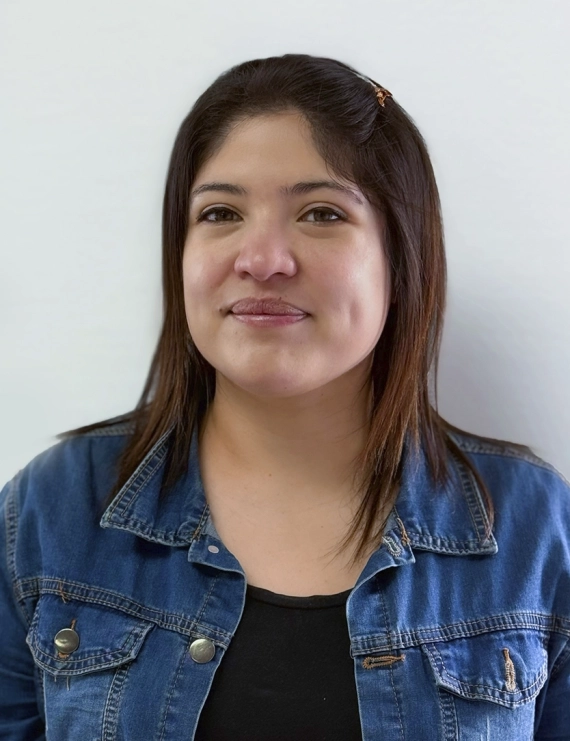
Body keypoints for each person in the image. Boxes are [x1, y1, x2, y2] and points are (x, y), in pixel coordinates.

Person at [0, 53, 568, 741]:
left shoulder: (536, 527)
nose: (262, 259)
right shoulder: (53, 508)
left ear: (401, 256)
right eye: (221, 212)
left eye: (321, 213)